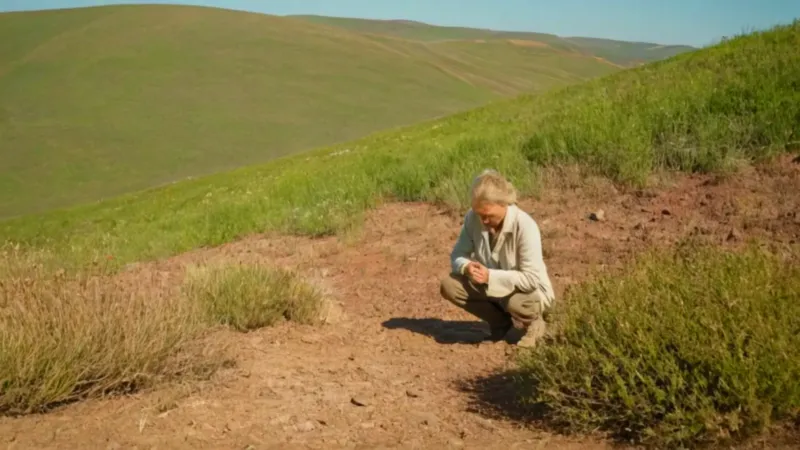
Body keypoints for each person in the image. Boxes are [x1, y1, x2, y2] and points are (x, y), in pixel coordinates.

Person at [440, 169, 555, 348]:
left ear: (504, 204)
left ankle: (535, 323)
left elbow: (531, 279)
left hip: (528, 294)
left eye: (488, 215)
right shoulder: (473, 219)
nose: (483, 220)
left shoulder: (525, 225)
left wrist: (490, 277)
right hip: (493, 288)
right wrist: (466, 267)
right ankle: (501, 325)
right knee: (450, 285)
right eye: (480, 214)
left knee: (516, 301)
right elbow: (457, 256)